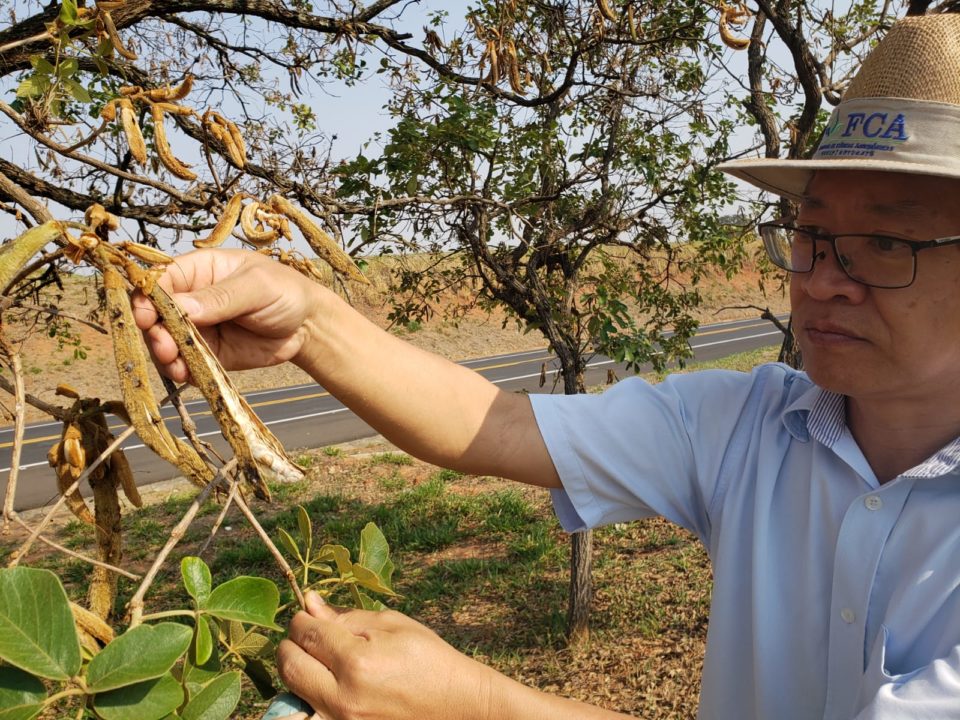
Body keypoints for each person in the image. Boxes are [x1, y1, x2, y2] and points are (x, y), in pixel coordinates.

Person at [133, 8, 960, 719]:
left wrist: (478, 702)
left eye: (883, 244)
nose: (819, 280)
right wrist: (305, 322)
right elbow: (492, 426)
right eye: (811, 236)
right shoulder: (752, 425)